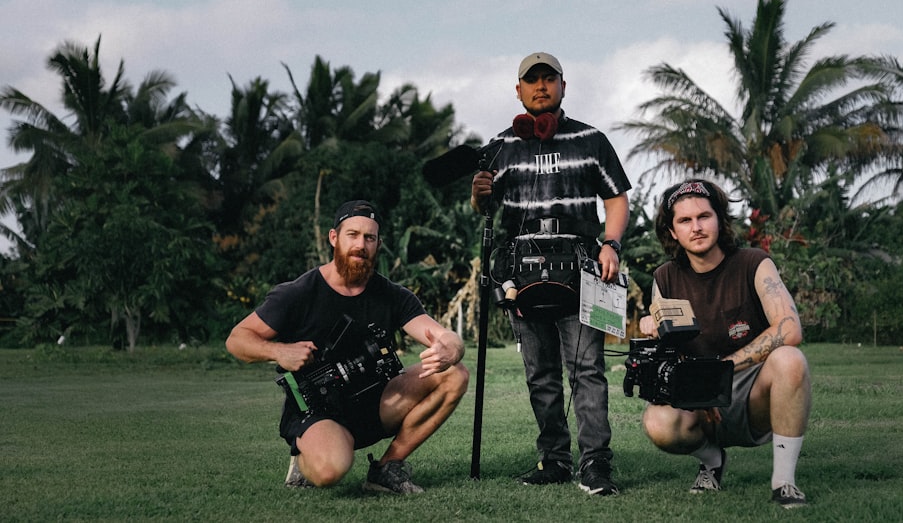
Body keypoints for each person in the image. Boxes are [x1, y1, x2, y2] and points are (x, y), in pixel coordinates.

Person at [470, 52, 632, 496]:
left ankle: (596, 463)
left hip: (582, 269)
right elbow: (485, 208)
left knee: (586, 369)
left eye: (549, 78)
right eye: (531, 80)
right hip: (520, 274)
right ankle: (555, 459)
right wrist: (478, 194)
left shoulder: (592, 139)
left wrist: (611, 244)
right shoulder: (500, 146)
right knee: (539, 372)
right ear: (518, 90)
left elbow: (617, 198)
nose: (541, 86)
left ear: (564, 85)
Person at [226, 200, 469, 494]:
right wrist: (278, 352)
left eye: (369, 237)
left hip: (376, 401)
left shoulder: (392, 295)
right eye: (352, 235)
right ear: (333, 238)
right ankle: (307, 454)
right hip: (319, 408)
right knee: (330, 471)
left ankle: (385, 469)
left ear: (378, 243)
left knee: (455, 374)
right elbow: (237, 339)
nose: (360, 245)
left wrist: (450, 349)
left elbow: (445, 336)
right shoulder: (299, 293)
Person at [637, 179, 811, 509]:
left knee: (791, 358)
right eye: (685, 221)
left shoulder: (754, 262)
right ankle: (713, 460)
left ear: (720, 219)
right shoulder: (665, 278)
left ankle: (784, 483)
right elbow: (670, 348)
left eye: (704, 216)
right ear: (672, 232)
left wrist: (722, 371)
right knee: (657, 422)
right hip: (699, 397)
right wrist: (653, 328)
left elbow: (789, 328)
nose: (697, 227)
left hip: (752, 390)